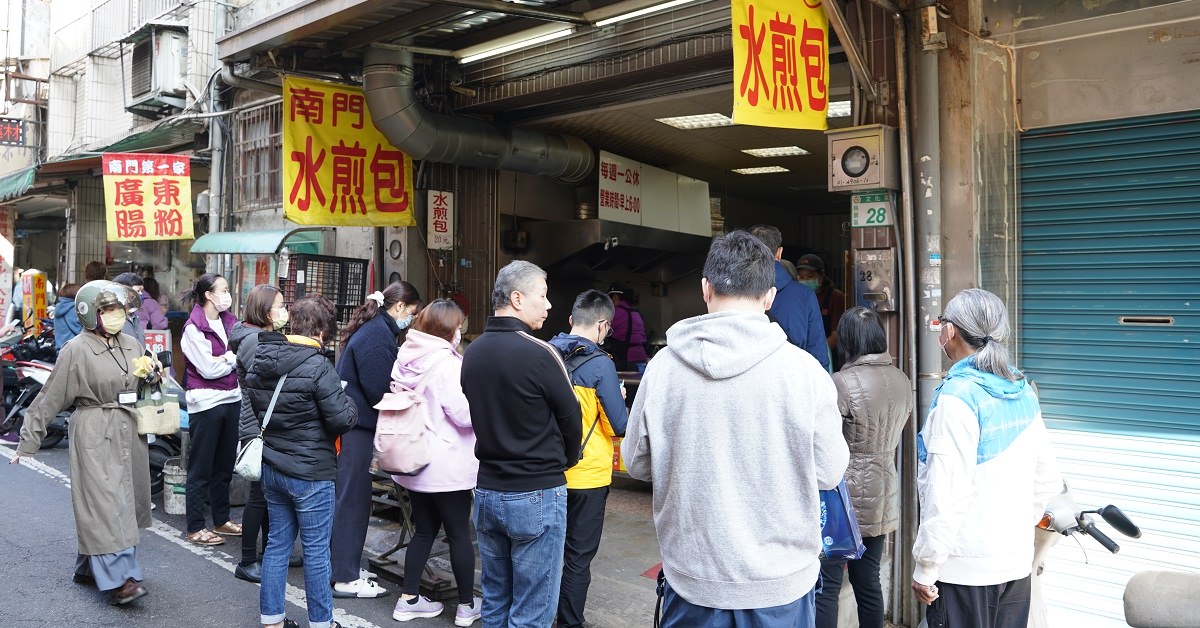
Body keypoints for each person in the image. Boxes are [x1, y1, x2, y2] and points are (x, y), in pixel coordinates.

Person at [621, 230, 849, 626]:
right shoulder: (805, 373)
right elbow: (829, 472)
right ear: (769, 297)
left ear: (705, 289)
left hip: (693, 585)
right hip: (781, 589)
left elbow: (637, 464)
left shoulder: (663, 369)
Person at [912, 288, 1063, 627]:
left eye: (942, 325)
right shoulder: (1022, 389)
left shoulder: (957, 398)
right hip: (1016, 564)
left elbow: (945, 494)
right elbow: (1048, 479)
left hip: (965, 570)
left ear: (950, 331)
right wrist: (1010, 532)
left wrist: (927, 566)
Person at [11, 280, 153, 605]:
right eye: (108, 310)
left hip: (129, 429)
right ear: (91, 314)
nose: (116, 315)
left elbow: (141, 384)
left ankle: (88, 567)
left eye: (119, 309)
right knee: (104, 506)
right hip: (94, 432)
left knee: (125, 501)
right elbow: (49, 398)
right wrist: (28, 442)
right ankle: (122, 580)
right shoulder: (75, 349)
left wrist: (152, 376)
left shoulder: (131, 343)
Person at [461, 260, 582, 627]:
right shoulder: (540, 353)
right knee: (532, 610)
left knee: (496, 602)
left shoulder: (473, 353)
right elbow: (570, 419)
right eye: (542, 297)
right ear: (517, 299)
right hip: (537, 492)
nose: (548, 305)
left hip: (487, 491)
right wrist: (565, 459)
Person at [241, 295, 357, 628]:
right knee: (316, 550)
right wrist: (350, 403)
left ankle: (272, 619)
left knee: (277, 543)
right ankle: (322, 623)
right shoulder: (319, 365)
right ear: (321, 329)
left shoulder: (263, 357)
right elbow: (341, 420)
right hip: (311, 473)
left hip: (274, 467)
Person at [815, 307, 913, 628]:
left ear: (847, 340)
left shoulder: (841, 383)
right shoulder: (901, 380)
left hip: (842, 499)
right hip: (883, 494)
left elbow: (825, 442)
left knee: (827, 585)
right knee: (868, 580)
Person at [389, 299, 482, 626]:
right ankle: (467, 607)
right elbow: (463, 414)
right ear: (447, 329)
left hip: (412, 460)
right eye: (458, 326)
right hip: (446, 466)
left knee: (424, 531)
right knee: (458, 534)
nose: (460, 331)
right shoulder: (447, 364)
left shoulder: (405, 355)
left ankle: (408, 599)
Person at [330, 281, 421, 599]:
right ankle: (344, 577)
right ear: (399, 307)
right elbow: (379, 390)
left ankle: (344, 566)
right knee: (353, 501)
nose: (412, 318)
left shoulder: (372, 328)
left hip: (351, 425)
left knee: (350, 499)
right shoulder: (378, 335)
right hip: (357, 429)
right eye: (413, 312)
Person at [549, 290, 629, 628]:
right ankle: (569, 623)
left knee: (545, 554)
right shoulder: (600, 364)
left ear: (570, 321)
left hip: (547, 472)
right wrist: (620, 397)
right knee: (577, 559)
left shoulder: (546, 353)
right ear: (603, 325)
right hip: (588, 478)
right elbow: (620, 426)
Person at [229, 284, 289, 583]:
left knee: (267, 492)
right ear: (265, 310)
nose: (284, 309)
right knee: (258, 495)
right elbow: (265, 382)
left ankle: (268, 552)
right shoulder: (254, 339)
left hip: (263, 423)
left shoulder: (257, 335)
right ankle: (247, 560)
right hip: (257, 425)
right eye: (280, 304)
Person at [180, 273, 243, 546]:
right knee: (201, 467)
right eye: (224, 289)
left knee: (225, 465)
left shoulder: (230, 322)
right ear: (208, 295)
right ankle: (195, 527)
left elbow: (240, 357)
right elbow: (207, 368)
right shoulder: (193, 328)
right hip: (205, 403)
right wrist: (230, 358)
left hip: (232, 398)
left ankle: (221, 520)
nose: (227, 295)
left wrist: (225, 360)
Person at [748, 224, 829, 370]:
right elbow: (819, 356)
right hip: (795, 383)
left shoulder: (734, 293)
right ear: (779, 253)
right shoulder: (805, 295)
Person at [796, 254, 847, 370]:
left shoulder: (835, 297)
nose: (805, 280)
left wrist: (818, 353)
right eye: (801, 277)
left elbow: (836, 334)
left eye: (810, 276)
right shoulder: (797, 298)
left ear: (821, 276)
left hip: (827, 355)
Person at [605, 283, 648, 372]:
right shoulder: (636, 312)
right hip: (642, 358)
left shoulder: (615, 313)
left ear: (615, 297)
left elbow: (600, 332)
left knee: (625, 385)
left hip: (626, 359)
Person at [112, 273, 149, 348]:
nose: (141, 294)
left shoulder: (134, 318)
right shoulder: (113, 318)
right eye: (138, 291)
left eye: (142, 291)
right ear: (124, 292)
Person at [53, 283, 83, 349]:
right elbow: (78, 330)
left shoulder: (59, 307)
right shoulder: (72, 308)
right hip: (73, 349)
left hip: (61, 348)